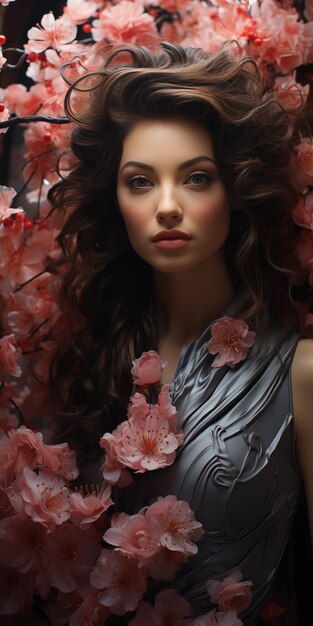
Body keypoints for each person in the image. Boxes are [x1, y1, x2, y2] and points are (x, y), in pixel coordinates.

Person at [48, 43, 313, 625]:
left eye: (196, 177)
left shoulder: (301, 373)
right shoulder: (96, 362)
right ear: (114, 200)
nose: (167, 206)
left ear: (235, 189)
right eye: (140, 182)